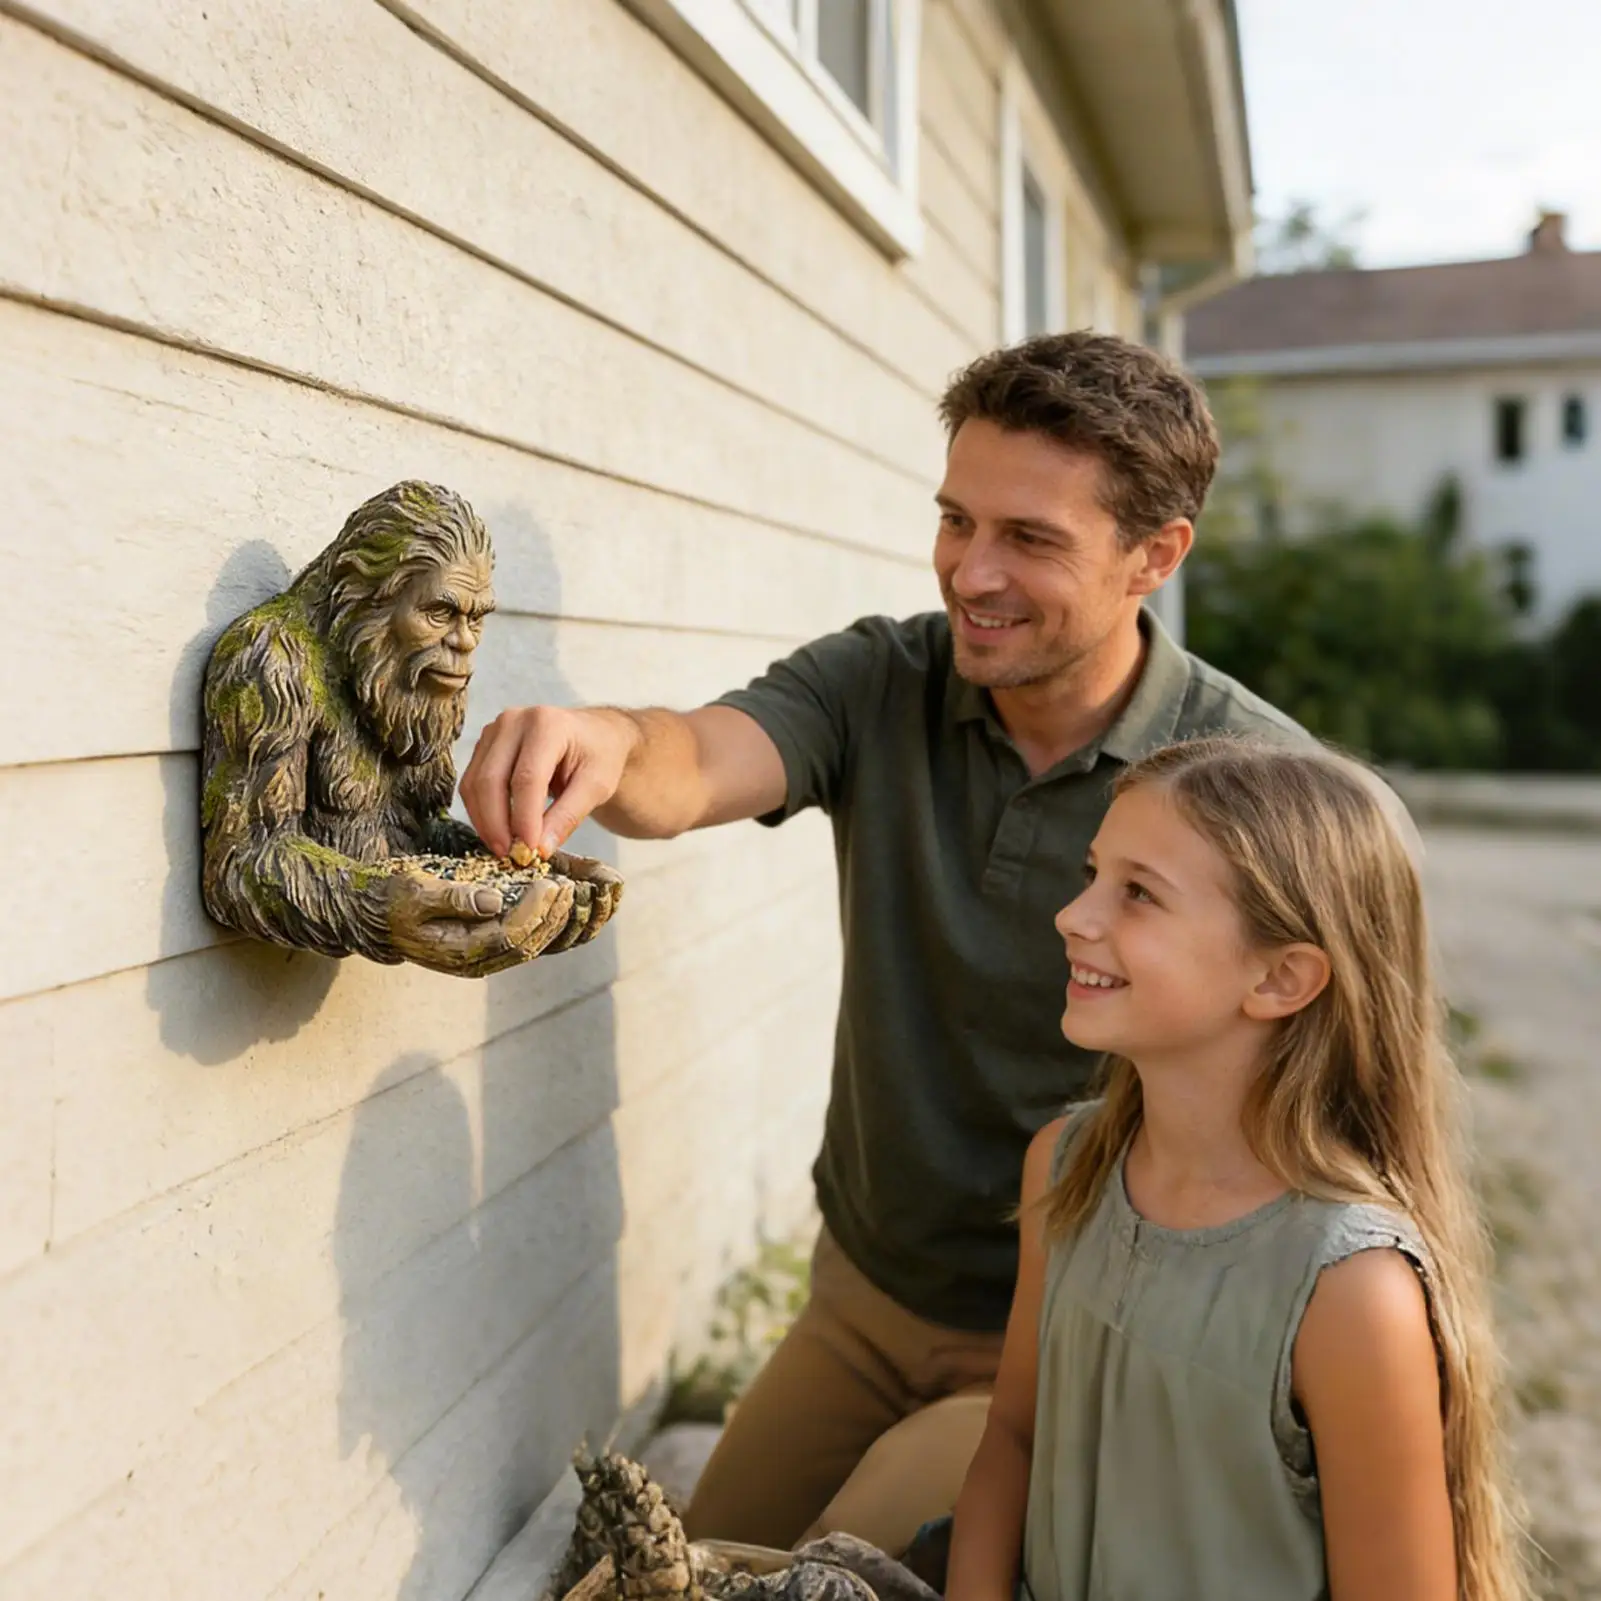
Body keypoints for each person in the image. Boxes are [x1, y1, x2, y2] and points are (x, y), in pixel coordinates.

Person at [459, 333, 1308, 1551]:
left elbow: (1336, 1123)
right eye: (955, 519)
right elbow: (692, 757)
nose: (970, 571)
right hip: (862, 1301)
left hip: (1073, 1336)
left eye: (1029, 537)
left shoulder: (1259, 785)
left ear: (1154, 556)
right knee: (688, 1569)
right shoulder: (883, 678)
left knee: (828, 1573)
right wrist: (597, 737)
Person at [944, 736, 1528, 1601]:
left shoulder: (1350, 1290)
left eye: (1137, 892)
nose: (1074, 914)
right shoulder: (1062, 1168)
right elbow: (1014, 1439)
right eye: (1093, 872)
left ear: (1282, 977)